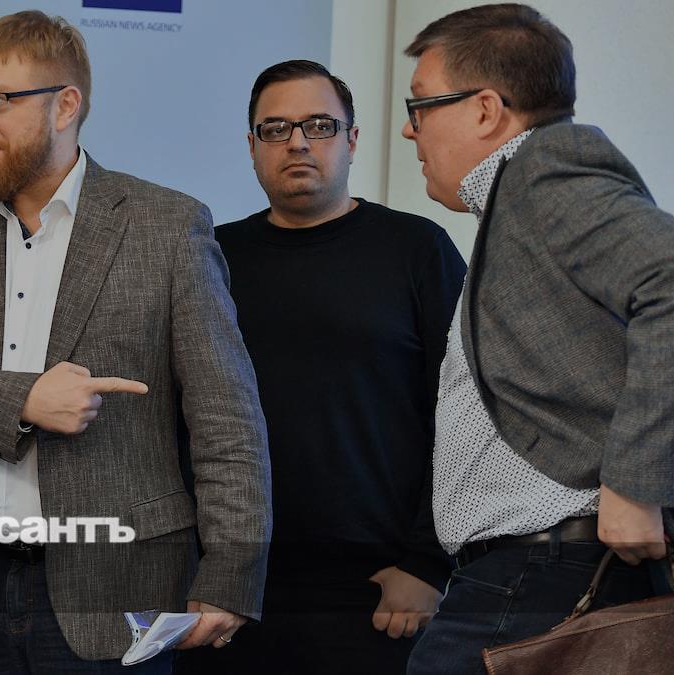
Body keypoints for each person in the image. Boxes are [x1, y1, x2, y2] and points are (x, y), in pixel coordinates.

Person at [0, 10, 271, 673]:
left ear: (65, 105)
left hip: (119, 584)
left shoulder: (168, 227)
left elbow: (226, 419)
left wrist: (230, 571)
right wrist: (26, 399)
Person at [398, 4, 674, 673]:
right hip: (531, 575)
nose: (409, 129)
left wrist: (635, 483)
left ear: (485, 110)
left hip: (549, 573)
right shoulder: (517, 197)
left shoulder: (544, 171)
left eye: (420, 106)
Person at [175, 60, 464, 675]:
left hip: (378, 589)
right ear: (252, 146)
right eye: (276, 129)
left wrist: (428, 563)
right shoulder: (210, 257)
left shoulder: (417, 249)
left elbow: (467, 414)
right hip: (230, 582)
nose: (298, 142)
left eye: (320, 125)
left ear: (351, 140)